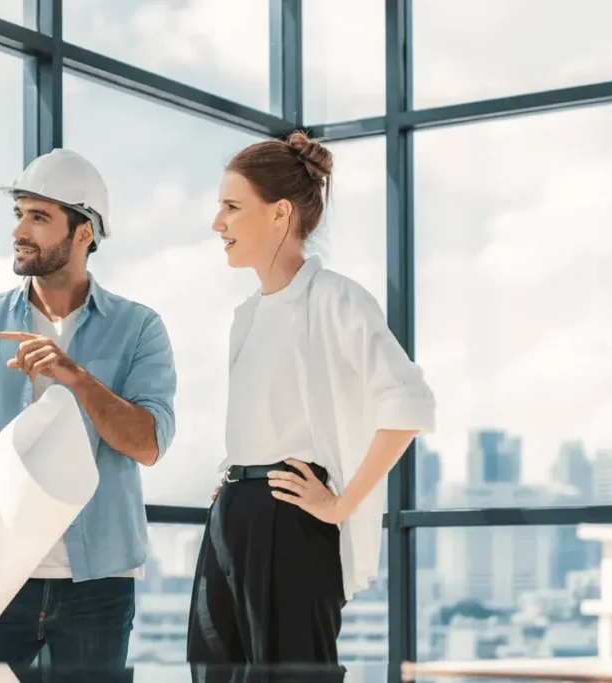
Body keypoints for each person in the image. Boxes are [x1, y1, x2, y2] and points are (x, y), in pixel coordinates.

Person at [187, 132, 437, 665]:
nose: (218, 224)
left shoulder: (336, 298)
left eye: (231, 207)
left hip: (290, 521)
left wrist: (341, 504)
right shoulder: (247, 316)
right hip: (232, 516)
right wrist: (237, 474)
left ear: (279, 214)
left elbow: (409, 402)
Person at [0, 148, 178, 671]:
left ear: (84, 232)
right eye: (19, 213)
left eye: (39, 217)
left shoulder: (140, 328)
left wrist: (77, 378)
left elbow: (149, 444)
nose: (20, 229)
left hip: (99, 584)